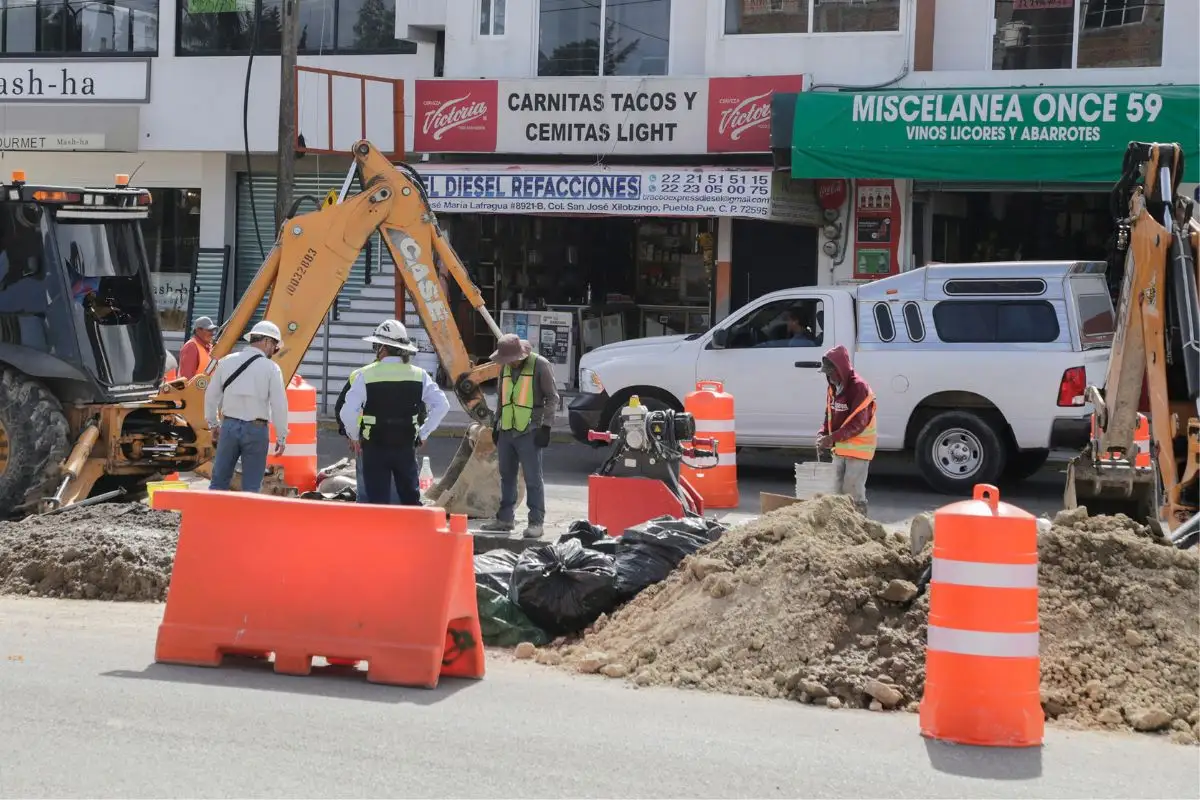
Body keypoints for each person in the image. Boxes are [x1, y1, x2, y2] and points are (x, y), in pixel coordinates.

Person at [338, 319, 449, 507]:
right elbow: (442, 405)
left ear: (382, 347)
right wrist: (423, 433)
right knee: (409, 501)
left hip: (374, 447)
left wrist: (354, 435)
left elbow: (347, 412)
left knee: (377, 503)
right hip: (405, 447)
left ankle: (379, 535)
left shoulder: (365, 375)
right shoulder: (418, 374)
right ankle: (412, 534)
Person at [481, 334, 560, 539]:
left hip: (530, 430)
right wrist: (496, 425)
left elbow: (552, 397)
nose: (509, 363)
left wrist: (546, 427)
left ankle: (536, 522)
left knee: (533, 479)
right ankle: (505, 519)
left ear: (521, 354)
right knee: (507, 476)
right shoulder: (505, 367)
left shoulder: (540, 365)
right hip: (507, 429)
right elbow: (502, 398)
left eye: (512, 359)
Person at [205, 320, 289, 493]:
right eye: (274, 346)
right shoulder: (271, 368)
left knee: (219, 481)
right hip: (256, 430)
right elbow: (279, 405)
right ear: (267, 342)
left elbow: (211, 396)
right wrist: (281, 437)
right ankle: (247, 519)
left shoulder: (226, 362)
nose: (274, 351)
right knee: (251, 486)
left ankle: (212, 517)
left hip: (228, 426)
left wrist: (213, 424)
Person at [816, 343, 877, 516]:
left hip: (859, 449)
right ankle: (841, 530)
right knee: (835, 491)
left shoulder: (859, 388)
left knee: (852, 491)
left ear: (839, 370)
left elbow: (858, 423)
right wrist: (823, 433)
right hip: (840, 447)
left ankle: (860, 526)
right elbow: (829, 415)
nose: (828, 377)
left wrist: (832, 438)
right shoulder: (833, 388)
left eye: (830, 373)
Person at [333, 350, 399, 505]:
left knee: (366, 496)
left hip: (366, 441)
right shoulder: (409, 375)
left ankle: (366, 525)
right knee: (396, 497)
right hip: (399, 443)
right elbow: (421, 409)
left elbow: (341, 409)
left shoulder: (360, 374)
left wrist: (351, 435)